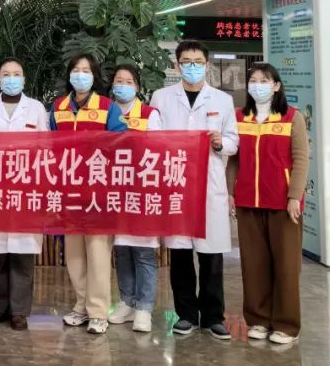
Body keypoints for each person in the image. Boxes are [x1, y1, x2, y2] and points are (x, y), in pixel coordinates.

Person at [150, 40, 238, 340]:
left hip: (209, 183)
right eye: (186, 61)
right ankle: (186, 314)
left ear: (207, 65)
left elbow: (234, 141)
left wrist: (220, 143)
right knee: (180, 253)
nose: (192, 67)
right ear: (176, 65)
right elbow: (153, 137)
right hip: (176, 181)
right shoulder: (161, 97)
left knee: (211, 255)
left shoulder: (222, 100)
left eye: (198, 62)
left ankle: (213, 317)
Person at [229, 63, 308, 346]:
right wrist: (231, 193)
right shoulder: (239, 117)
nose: (257, 85)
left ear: (276, 86)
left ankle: (286, 325)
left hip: (282, 203)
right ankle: (258, 320)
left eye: (264, 80)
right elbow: (234, 160)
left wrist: (294, 196)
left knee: (286, 265)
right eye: (253, 80)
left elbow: (301, 158)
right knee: (254, 264)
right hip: (248, 201)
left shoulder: (292, 117)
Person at [49, 54, 124, 335]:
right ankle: (81, 305)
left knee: (98, 252)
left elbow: (123, 142)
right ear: (69, 75)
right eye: (76, 70)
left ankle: (98, 311)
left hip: (98, 190)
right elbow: (50, 144)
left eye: (86, 70)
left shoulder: (107, 107)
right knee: (74, 253)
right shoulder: (58, 107)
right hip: (68, 189)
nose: (80, 75)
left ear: (94, 76)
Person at [0, 57, 48, 331]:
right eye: (6, 74)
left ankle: (19, 311)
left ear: (24, 79)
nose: (11, 79)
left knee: (22, 252)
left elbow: (45, 148)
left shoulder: (36, 108)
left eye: (17, 74)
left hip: (26, 187)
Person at [106, 63, 162, 333]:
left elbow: (160, 152)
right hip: (114, 190)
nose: (123, 86)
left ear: (138, 87)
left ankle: (144, 307)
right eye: (119, 81)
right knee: (122, 250)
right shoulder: (106, 112)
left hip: (142, 190)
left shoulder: (150, 114)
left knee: (143, 251)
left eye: (129, 82)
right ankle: (127, 301)